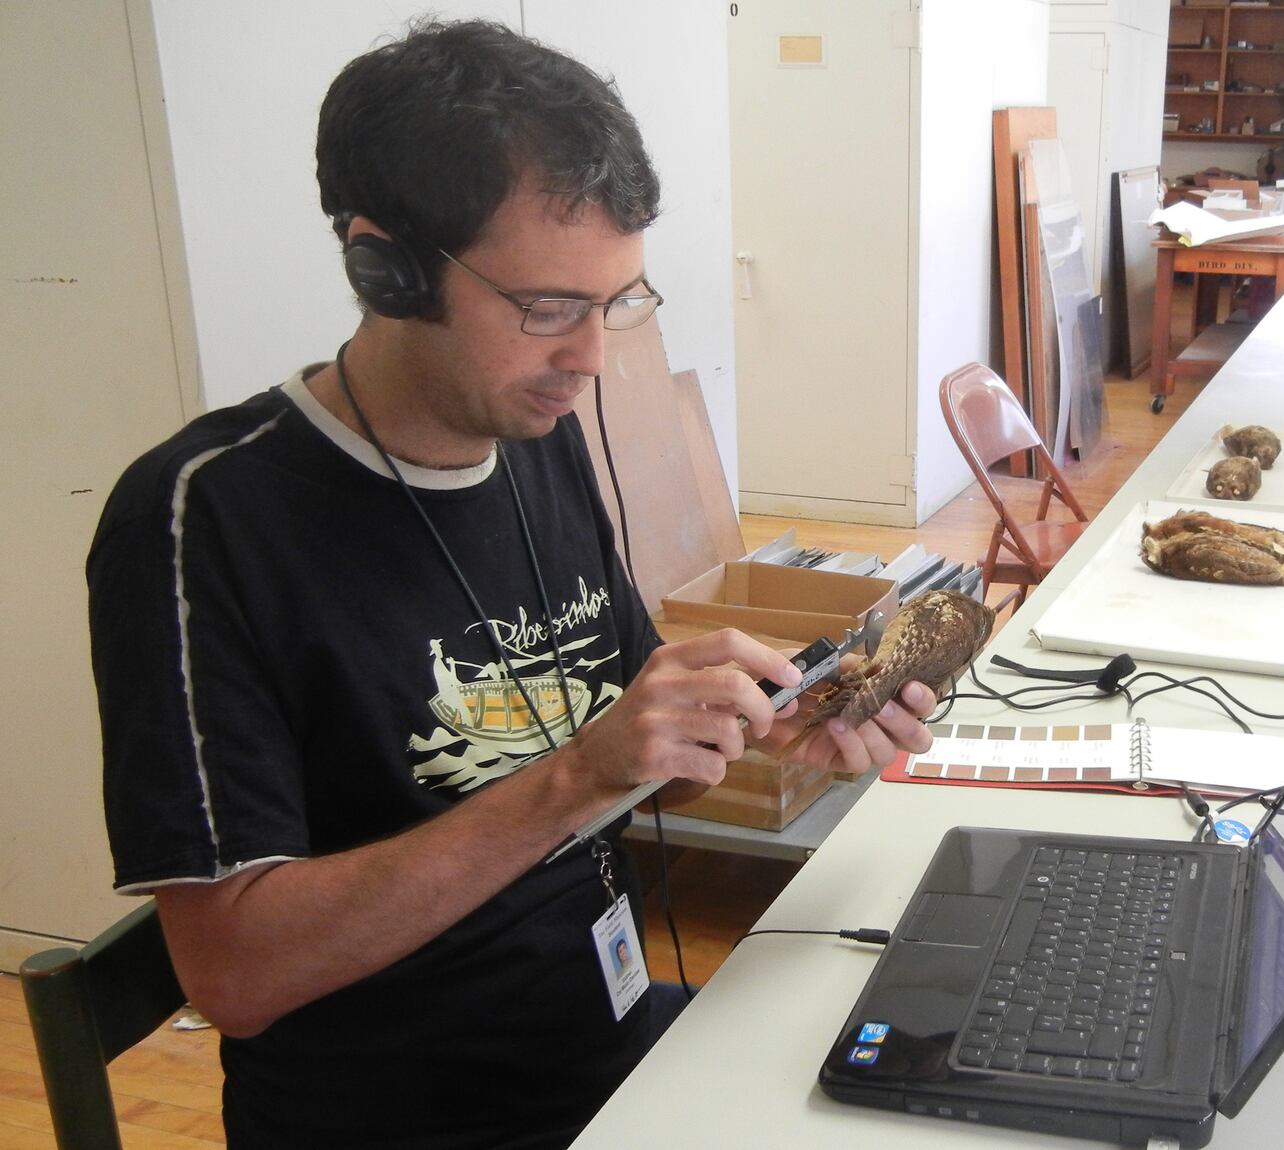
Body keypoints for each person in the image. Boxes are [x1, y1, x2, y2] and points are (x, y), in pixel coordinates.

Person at [86, 19, 936, 1150]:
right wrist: (580, 773)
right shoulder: (203, 518)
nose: (589, 359)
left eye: (617, 301)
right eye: (546, 307)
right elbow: (235, 972)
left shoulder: (537, 440)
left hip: (615, 1047)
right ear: (382, 265)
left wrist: (767, 733)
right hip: (415, 1119)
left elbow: (637, 771)